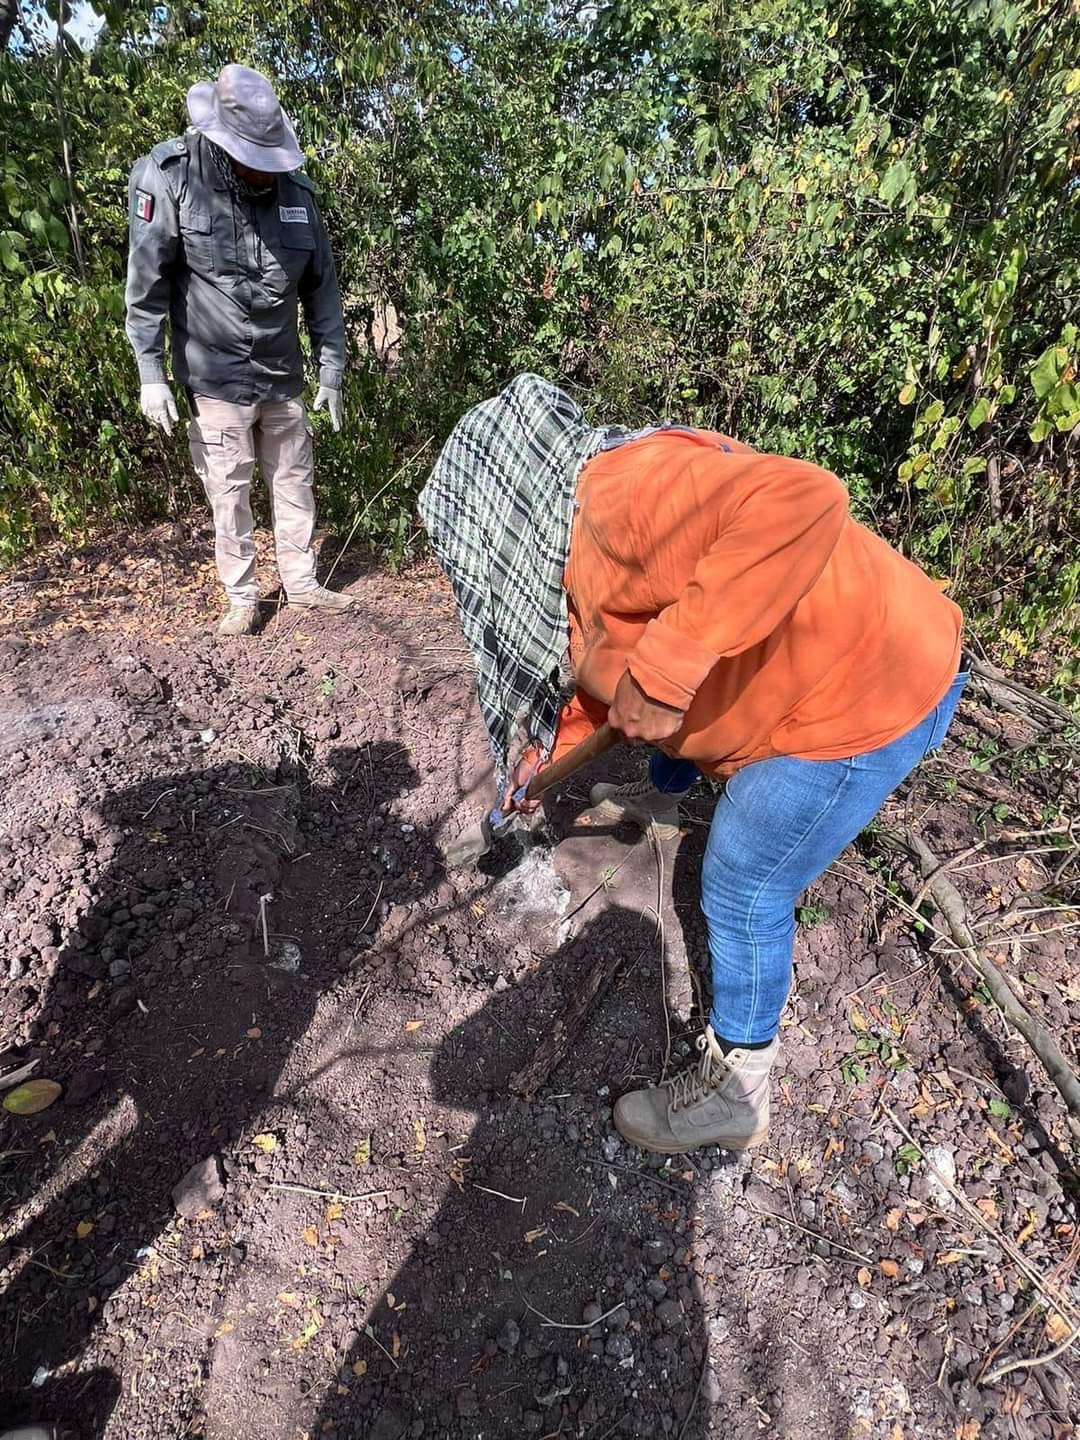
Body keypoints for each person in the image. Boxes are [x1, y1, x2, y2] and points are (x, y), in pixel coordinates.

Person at [420, 374, 966, 1156]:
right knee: (661, 710)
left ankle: (736, 1093)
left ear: (502, 514)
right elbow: (598, 674)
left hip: (872, 687)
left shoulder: (625, 494)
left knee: (744, 876)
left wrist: (667, 669)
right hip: (800, 680)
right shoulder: (563, 552)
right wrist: (537, 761)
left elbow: (804, 497)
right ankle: (667, 790)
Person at [124, 64, 355, 635]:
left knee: (294, 478)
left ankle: (301, 583)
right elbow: (146, 283)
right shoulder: (171, 175)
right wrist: (150, 370)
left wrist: (331, 370)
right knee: (229, 488)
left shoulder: (298, 194)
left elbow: (321, 289)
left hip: (281, 370)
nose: (262, 169)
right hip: (216, 374)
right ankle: (243, 597)